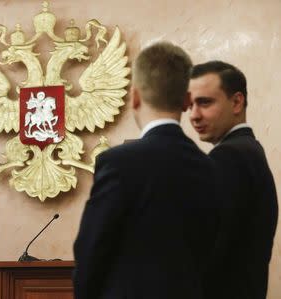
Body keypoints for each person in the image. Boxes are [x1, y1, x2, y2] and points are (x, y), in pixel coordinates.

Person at [73, 42, 219, 299]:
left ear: (135, 97)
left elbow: (91, 249)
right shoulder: (210, 168)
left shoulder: (117, 163)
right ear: (186, 101)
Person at [189, 61, 278, 299]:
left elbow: (206, 250)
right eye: (190, 105)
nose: (194, 116)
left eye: (205, 102)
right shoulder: (249, 150)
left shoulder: (228, 157)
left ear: (237, 102)